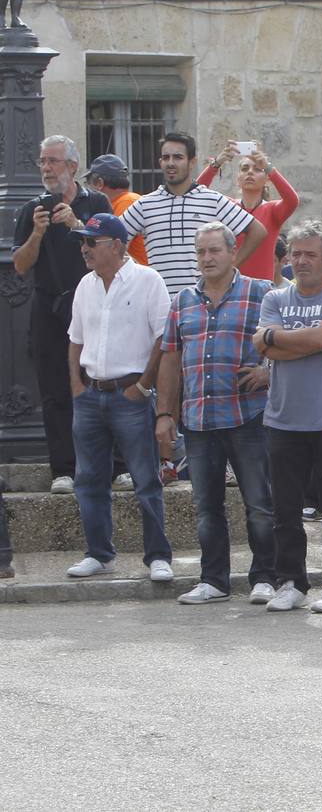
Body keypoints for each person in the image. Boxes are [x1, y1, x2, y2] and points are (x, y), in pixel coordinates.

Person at [156, 223, 276, 605]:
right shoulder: (182, 301)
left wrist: (269, 372)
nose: (207, 259)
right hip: (199, 420)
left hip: (249, 417)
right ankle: (214, 581)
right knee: (206, 507)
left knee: (259, 504)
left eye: (214, 251)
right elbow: (171, 360)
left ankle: (265, 577)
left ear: (232, 252)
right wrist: (164, 414)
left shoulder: (262, 293)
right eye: (201, 252)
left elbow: (289, 343)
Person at [254, 221, 322, 614]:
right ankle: (291, 582)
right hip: (282, 419)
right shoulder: (275, 298)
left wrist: (280, 338)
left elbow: (289, 341)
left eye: (309, 254)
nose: (300, 261)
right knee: (285, 510)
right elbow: (266, 348)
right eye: (295, 254)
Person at [63, 213, 172, 581]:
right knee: (89, 478)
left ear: (116, 245)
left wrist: (142, 386)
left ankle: (158, 556)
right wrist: (77, 386)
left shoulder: (147, 280)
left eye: (91, 242)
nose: (84, 249)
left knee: (145, 479)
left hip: (131, 394)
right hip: (91, 394)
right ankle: (99, 554)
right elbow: (75, 340)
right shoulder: (84, 286)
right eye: (83, 242)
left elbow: (163, 338)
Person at [12, 135, 113, 494]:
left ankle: (114, 467)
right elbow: (21, 266)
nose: (46, 168)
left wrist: (74, 224)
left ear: (72, 166)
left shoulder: (96, 202)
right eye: (42, 161)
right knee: (55, 388)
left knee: (103, 382)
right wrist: (38, 233)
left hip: (93, 304)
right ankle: (63, 470)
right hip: (49, 307)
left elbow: (113, 249)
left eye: (52, 161)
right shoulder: (32, 208)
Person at [118, 132, 268, 297]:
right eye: (166, 158)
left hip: (202, 303)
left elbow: (258, 231)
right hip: (159, 303)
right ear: (160, 163)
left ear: (192, 162)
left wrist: (229, 268)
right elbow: (114, 241)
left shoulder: (212, 199)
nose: (171, 163)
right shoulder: (144, 205)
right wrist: (137, 275)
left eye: (178, 157)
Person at [196, 140, 299, 281]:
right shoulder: (227, 206)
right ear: (238, 178)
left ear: (267, 179)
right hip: (229, 288)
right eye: (244, 169)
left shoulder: (272, 210)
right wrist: (217, 164)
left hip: (261, 291)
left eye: (257, 169)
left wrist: (267, 167)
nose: (250, 172)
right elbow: (197, 193)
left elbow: (292, 200)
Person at [84, 153, 145, 265]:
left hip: (138, 278)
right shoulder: (126, 201)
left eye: (88, 183)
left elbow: (114, 249)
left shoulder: (126, 202)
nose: (87, 189)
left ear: (99, 183)